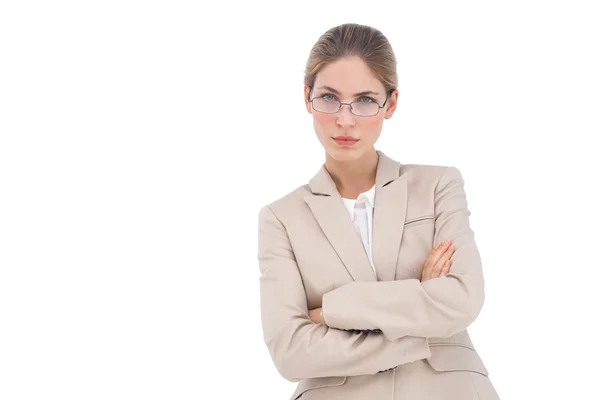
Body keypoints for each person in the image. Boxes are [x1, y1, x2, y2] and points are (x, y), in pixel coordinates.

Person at [257, 23, 500, 400]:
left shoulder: (438, 186)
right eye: (328, 97)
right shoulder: (281, 218)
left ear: (391, 103)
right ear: (307, 98)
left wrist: (332, 310)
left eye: (366, 100)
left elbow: (463, 298)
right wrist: (419, 310)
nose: (345, 119)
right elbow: (291, 353)